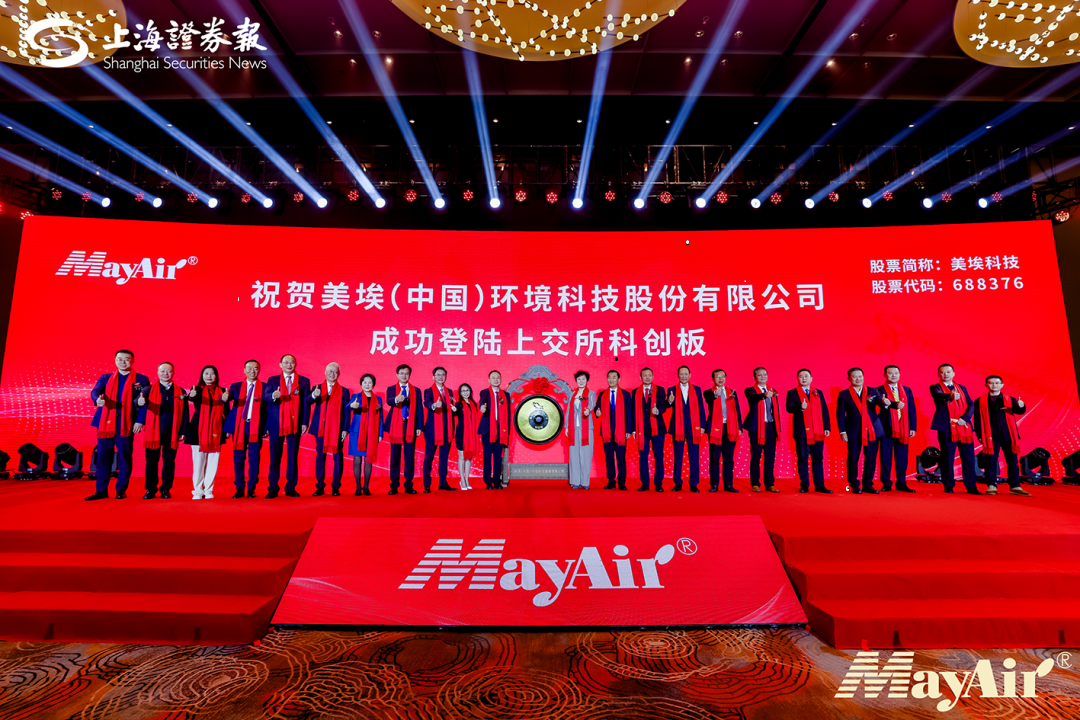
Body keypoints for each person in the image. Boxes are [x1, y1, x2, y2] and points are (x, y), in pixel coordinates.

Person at [86, 349, 148, 501]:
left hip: (126, 422)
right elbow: (95, 391)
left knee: (125, 457)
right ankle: (101, 490)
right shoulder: (106, 377)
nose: (122, 362)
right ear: (115, 361)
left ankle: (121, 490)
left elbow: (145, 401)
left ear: (132, 361)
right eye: (119, 359)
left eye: (126, 359)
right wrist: (97, 399)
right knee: (102, 457)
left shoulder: (141, 379)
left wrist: (140, 420)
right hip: (106, 422)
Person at [973, 375, 1033, 496]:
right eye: (991, 383)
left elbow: (1019, 411)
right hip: (990, 436)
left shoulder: (1010, 399)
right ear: (986, 385)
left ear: (1002, 385)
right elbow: (977, 419)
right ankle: (991, 485)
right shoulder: (980, 401)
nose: (994, 385)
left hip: (1008, 435)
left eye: (997, 383)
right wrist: (979, 435)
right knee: (990, 461)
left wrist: (1021, 405)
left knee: (1013, 461)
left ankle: (1015, 486)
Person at [264, 354, 311, 498]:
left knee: (292, 456)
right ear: (280, 364)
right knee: (275, 456)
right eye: (286, 362)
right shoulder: (272, 380)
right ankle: (273, 488)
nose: (289, 365)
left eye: (292, 362)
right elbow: (266, 398)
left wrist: (304, 422)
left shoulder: (304, 381)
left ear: (296, 364)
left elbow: (306, 404)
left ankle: (291, 487)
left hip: (295, 423)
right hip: (276, 423)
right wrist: (273, 396)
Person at [929, 363, 980, 495]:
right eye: (942, 372)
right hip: (946, 427)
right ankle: (948, 485)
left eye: (948, 372)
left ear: (953, 374)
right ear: (938, 374)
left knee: (968, 458)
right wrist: (950, 396)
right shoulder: (935, 387)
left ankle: (971, 486)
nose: (945, 374)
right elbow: (938, 395)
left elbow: (970, 404)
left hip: (964, 426)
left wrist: (965, 418)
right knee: (947, 458)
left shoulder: (961, 388)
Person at [140, 361, 188, 500]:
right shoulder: (148, 390)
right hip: (153, 432)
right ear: (157, 373)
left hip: (172, 432)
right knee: (151, 462)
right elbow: (137, 403)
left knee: (169, 462)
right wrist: (138, 402)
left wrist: (183, 431)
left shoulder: (181, 392)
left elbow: (185, 412)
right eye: (162, 371)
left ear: (173, 373)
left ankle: (165, 489)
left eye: (169, 371)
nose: (165, 374)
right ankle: (150, 489)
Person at [836, 367, 884, 494]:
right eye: (855, 376)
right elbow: (840, 414)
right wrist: (842, 431)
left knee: (871, 457)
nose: (858, 379)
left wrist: (888, 403)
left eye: (860, 376)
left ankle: (868, 484)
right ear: (849, 378)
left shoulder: (873, 391)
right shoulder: (844, 394)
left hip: (871, 430)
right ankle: (853, 484)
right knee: (853, 457)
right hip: (853, 430)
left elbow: (882, 403)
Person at [224, 359, 268, 499]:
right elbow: (226, 400)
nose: (252, 371)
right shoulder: (236, 386)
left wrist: (266, 427)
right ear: (244, 370)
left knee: (254, 459)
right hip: (239, 426)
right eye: (249, 368)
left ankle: (251, 488)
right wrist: (223, 397)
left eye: (255, 368)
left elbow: (267, 410)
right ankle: (239, 488)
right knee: (238, 459)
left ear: (259, 370)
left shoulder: (265, 387)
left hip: (256, 426)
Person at [785, 368, 832, 494]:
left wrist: (827, 427)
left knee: (818, 458)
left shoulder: (818, 392)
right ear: (797, 379)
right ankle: (804, 485)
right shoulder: (792, 393)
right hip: (801, 432)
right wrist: (800, 407)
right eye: (801, 376)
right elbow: (789, 408)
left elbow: (824, 410)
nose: (804, 378)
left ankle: (820, 485)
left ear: (811, 378)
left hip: (818, 431)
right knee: (803, 458)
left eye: (806, 376)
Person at [184, 365, 227, 500]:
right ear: (202, 375)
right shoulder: (196, 389)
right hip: (198, 430)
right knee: (198, 463)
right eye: (206, 373)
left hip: (216, 429)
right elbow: (191, 398)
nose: (209, 376)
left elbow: (227, 411)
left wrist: (227, 429)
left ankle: (208, 489)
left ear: (216, 376)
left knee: (213, 461)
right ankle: (197, 490)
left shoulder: (223, 391)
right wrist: (190, 396)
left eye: (212, 373)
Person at [309, 362, 350, 497]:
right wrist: (314, 395)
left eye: (335, 372)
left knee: (337, 457)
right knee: (320, 457)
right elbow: (308, 401)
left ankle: (336, 487)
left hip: (337, 429)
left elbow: (346, 411)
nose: (332, 374)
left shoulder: (344, 391)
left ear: (339, 374)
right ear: (325, 373)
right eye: (330, 371)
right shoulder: (317, 388)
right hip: (320, 428)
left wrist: (345, 429)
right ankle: (320, 486)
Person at [876, 365, 917, 493]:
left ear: (899, 374)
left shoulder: (907, 390)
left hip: (903, 427)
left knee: (902, 457)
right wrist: (885, 404)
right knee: (885, 457)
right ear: (884, 375)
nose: (893, 375)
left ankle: (901, 483)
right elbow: (879, 404)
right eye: (890, 373)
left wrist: (913, 427)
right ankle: (886, 483)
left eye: (896, 373)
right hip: (886, 427)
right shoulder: (879, 390)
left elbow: (911, 409)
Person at [384, 363, 423, 495]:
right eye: (401, 373)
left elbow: (419, 409)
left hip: (410, 426)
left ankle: (408, 485)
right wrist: (397, 399)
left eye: (406, 373)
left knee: (409, 456)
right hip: (396, 425)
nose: (404, 375)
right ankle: (394, 485)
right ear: (397, 375)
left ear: (410, 375)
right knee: (395, 456)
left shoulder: (416, 390)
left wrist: (419, 426)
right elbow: (389, 401)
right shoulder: (391, 388)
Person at [667, 365, 706, 493]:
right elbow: (668, 406)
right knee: (678, 456)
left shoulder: (697, 389)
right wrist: (670, 402)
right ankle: (677, 483)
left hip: (693, 427)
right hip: (677, 427)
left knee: (694, 457)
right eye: (681, 374)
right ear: (677, 376)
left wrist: (702, 426)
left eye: (686, 374)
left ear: (690, 375)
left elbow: (701, 408)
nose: (683, 376)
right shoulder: (672, 389)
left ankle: (694, 484)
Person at [703, 368, 742, 493]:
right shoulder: (708, 392)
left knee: (728, 459)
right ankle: (714, 485)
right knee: (714, 458)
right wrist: (716, 394)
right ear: (713, 379)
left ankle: (728, 485)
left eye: (722, 376)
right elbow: (709, 398)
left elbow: (737, 410)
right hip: (715, 428)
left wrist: (739, 427)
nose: (720, 378)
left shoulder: (732, 392)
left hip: (730, 427)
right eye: (717, 376)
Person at [743, 367, 781, 493]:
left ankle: (769, 483)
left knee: (770, 457)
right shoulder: (750, 390)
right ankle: (755, 483)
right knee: (756, 456)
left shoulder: (772, 390)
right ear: (754, 377)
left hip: (770, 427)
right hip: (757, 428)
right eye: (760, 375)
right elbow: (753, 398)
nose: (763, 376)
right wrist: (764, 395)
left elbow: (775, 411)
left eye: (765, 374)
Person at [595, 369, 634, 490]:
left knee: (621, 458)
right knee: (609, 458)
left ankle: (622, 482)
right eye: (609, 377)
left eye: (614, 377)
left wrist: (628, 430)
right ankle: (611, 481)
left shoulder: (626, 395)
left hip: (621, 432)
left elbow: (629, 414)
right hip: (607, 431)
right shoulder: (602, 394)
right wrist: (597, 411)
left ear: (619, 379)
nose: (611, 380)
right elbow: (597, 408)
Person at [632, 367, 668, 492]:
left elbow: (663, 406)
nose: (647, 377)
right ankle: (645, 483)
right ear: (640, 377)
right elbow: (632, 411)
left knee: (658, 456)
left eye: (649, 375)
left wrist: (658, 411)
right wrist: (633, 430)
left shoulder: (660, 390)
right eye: (645, 375)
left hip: (657, 428)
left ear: (653, 376)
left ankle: (658, 483)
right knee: (643, 456)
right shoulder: (635, 392)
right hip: (641, 429)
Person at [422, 366, 457, 493]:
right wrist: (433, 405)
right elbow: (426, 402)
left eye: (443, 375)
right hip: (432, 430)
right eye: (438, 375)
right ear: (433, 377)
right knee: (429, 457)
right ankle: (427, 484)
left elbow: (451, 408)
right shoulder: (428, 391)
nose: (441, 377)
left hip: (447, 429)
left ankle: (443, 483)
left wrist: (455, 409)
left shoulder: (450, 392)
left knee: (444, 457)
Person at [348, 373, 382, 496]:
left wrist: (380, 434)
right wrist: (352, 406)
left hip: (372, 433)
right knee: (357, 459)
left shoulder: (378, 399)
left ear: (373, 384)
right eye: (365, 382)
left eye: (370, 382)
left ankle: (366, 487)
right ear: (361, 384)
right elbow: (347, 407)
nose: (367, 384)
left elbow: (380, 417)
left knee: (368, 460)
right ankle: (358, 487)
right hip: (356, 433)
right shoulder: (355, 396)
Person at [478, 370, 511, 490]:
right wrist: (482, 407)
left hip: (501, 429)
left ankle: (497, 481)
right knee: (487, 456)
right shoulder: (485, 392)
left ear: (501, 379)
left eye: (498, 377)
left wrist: (507, 431)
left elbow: (508, 414)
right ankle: (488, 481)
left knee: (498, 457)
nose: (496, 380)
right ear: (489, 380)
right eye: (493, 378)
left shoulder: (505, 395)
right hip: (488, 429)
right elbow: (482, 401)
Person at [565, 370, 595, 490]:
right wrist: (567, 426)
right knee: (574, 455)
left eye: (583, 379)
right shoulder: (573, 394)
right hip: (574, 428)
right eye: (579, 379)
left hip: (586, 428)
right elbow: (568, 411)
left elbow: (591, 404)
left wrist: (588, 410)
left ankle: (585, 482)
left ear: (587, 380)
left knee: (586, 455)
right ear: (576, 381)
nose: (581, 381)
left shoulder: (591, 393)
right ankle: (575, 481)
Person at [453, 383, 480, 490]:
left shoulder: (474, 404)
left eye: (467, 390)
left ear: (470, 391)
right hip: (462, 433)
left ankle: (467, 479)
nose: (465, 392)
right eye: (463, 391)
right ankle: (462, 480)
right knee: (462, 457)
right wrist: (454, 410)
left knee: (469, 457)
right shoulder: (458, 404)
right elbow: (456, 413)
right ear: (460, 393)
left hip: (472, 433)